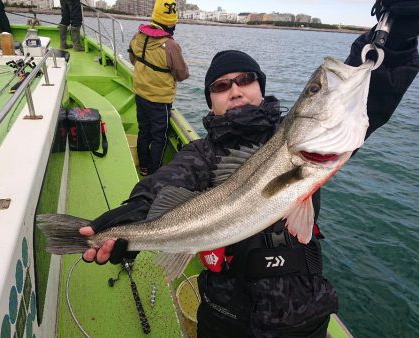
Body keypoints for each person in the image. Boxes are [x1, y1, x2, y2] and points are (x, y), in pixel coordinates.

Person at [80, 1, 419, 337]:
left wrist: (399, 36)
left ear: (261, 86)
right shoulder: (201, 153)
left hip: (307, 319)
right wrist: (136, 208)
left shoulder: (302, 136)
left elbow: (369, 92)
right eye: (221, 85)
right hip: (226, 320)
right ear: (210, 99)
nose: (236, 90)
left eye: (245, 79)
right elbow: (167, 181)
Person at [127, 0, 189, 176]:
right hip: (159, 101)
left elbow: (132, 58)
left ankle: (144, 167)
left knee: (143, 131)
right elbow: (182, 74)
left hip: (140, 95)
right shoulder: (170, 46)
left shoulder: (138, 36)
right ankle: (154, 172)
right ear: (172, 22)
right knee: (158, 137)